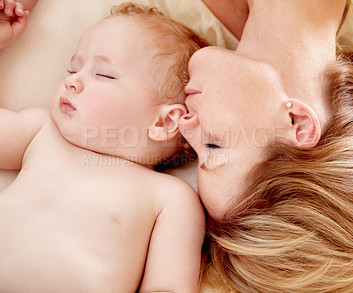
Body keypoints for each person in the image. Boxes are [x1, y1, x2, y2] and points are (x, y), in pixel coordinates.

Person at [176, 0, 353, 291]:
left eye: (196, 152)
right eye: (214, 145)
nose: (183, 125)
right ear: (298, 122)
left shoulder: (192, 39)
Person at [0, 1, 207, 292]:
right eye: (73, 68)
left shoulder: (171, 198)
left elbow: (169, 286)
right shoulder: (41, 132)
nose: (72, 81)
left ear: (164, 122)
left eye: (104, 74)